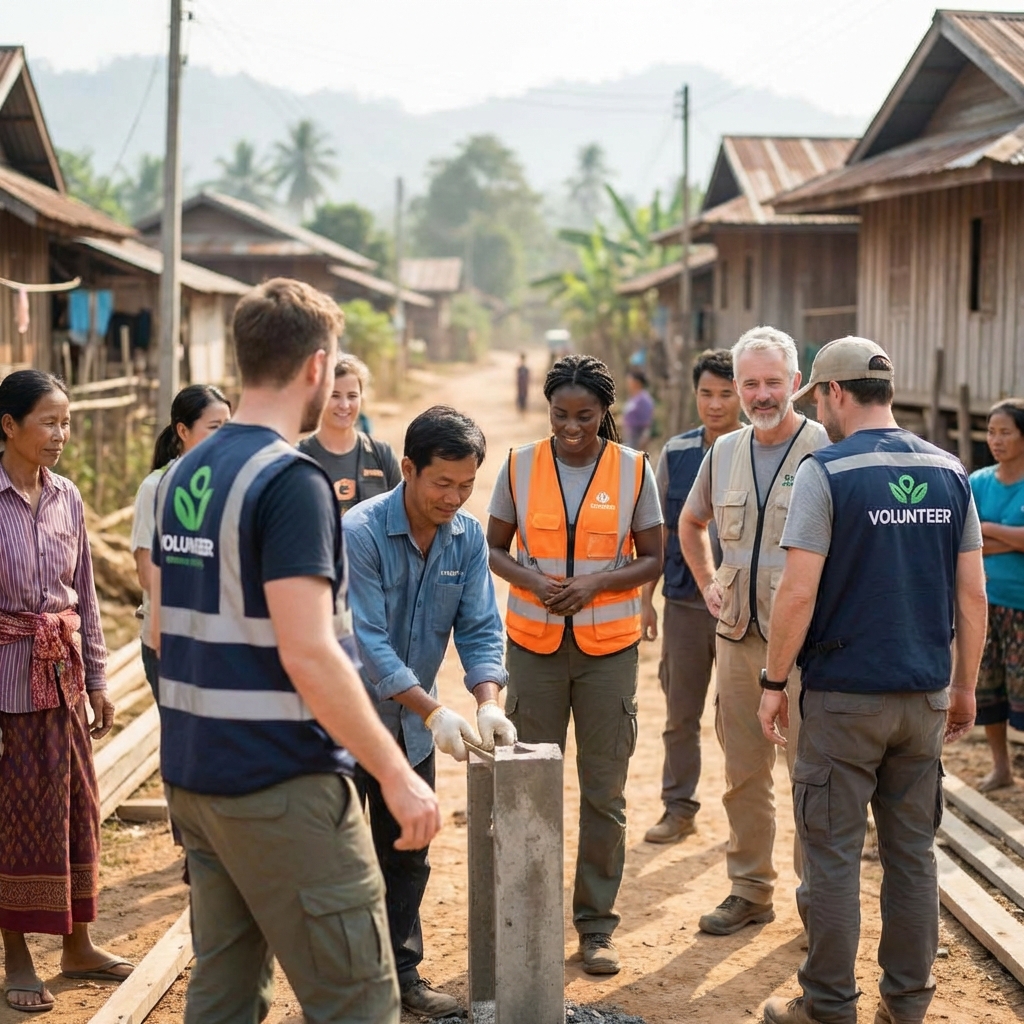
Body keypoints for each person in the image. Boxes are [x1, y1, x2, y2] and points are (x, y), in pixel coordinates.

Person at [150, 278, 441, 1024]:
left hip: (196, 774)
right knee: (358, 998)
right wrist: (395, 774)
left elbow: (163, 631)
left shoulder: (186, 473)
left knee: (225, 991)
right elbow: (310, 652)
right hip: (278, 780)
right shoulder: (288, 480)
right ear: (317, 366)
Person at [757, 337, 987, 1024]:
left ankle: (828, 1006)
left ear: (834, 393)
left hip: (844, 699)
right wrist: (964, 688)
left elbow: (798, 592)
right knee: (912, 855)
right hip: (924, 696)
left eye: (818, 399)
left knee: (831, 856)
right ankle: (907, 1006)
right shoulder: (950, 471)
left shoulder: (825, 472)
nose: (818, 413)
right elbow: (972, 595)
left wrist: (773, 681)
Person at [486, 353, 664, 975]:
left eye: (584, 416)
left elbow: (653, 558)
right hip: (532, 650)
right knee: (525, 787)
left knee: (604, 794)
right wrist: (535, 581)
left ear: (605, 412)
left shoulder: (634, 469)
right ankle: (524, 920)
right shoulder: (519, 464)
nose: (571, 427)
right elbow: (493, 548)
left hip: (608, 654)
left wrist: (596, 585)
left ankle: (596, 927)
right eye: (560, 414)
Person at [345, 405, 515, 1019]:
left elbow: (480, 626)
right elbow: (366, 641)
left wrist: (487, 702)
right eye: (442, 483)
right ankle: (342, 986)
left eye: (467, 485)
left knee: (408, 850)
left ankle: (401, 975)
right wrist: (433, 711)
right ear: (409, 469)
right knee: (340, 856)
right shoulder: (360, 532)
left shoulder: (465, 538)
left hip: (412, 730)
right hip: (343, 724)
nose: (454, 497)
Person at [679, 325, 828, 936]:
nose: (761, 395)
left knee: (812, 777)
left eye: (772, 382)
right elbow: (690, 522)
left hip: (811, 646)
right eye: (750, 384)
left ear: (796, 382)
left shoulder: (827, 448)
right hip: (738, 637)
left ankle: (818, 904)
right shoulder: (724, 453)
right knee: (743, 772)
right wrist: (707, 580)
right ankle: (749, 891)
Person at [0, 369, 132, 1013]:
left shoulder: (67, 497)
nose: (60, 435)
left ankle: (78, 945)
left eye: (66, 423)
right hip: (8, 694)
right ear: (8, 426)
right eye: (48, 422)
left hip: (64, 681)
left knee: (76, 812)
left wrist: (99, 680)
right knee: (16, 823)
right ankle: (17, 959)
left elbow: (87, 598)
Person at [642, 349, 742, 843]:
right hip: (684, 603)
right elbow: (659, 532)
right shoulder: (677, 452)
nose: (715, 404)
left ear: (742, 395)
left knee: (740, 719)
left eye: (726, 393)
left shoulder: (759, 450)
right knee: (681, 715)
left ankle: (744, 821)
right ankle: (678, 808)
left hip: (744, 609)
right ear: (695, 395)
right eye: (706, 393)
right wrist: (646, 600)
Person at [131, 385, 231, 699]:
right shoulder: (155, 487)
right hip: (172, 641)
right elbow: (147, 575)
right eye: (214, 427)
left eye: (228, 427)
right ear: (183, 431)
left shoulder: (230, 485)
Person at [970, 398, 1024, 791]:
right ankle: (1001, 767)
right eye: (991, 432)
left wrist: (987, 529)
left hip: (1022, 606)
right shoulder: (978, 483)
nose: (996, 440)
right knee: (988, 688)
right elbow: (964, 541)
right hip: (985, 604)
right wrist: (1014, 539)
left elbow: (978, 536)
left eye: (1006, 432)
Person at [298, 354, 401, 516]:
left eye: (352, 396)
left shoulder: (382, 455)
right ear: (319, 397)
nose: (344, 405)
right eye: (334, 395)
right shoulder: (299, 458)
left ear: (362, 399)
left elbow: (398, 517)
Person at [622, 368, 655, 451]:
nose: (628, 383)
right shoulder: (633, 397)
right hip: (630, 436)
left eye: (630, 380)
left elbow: (647, 421)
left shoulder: (644, 399)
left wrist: (644, 437)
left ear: (637, 382)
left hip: (638, 438)